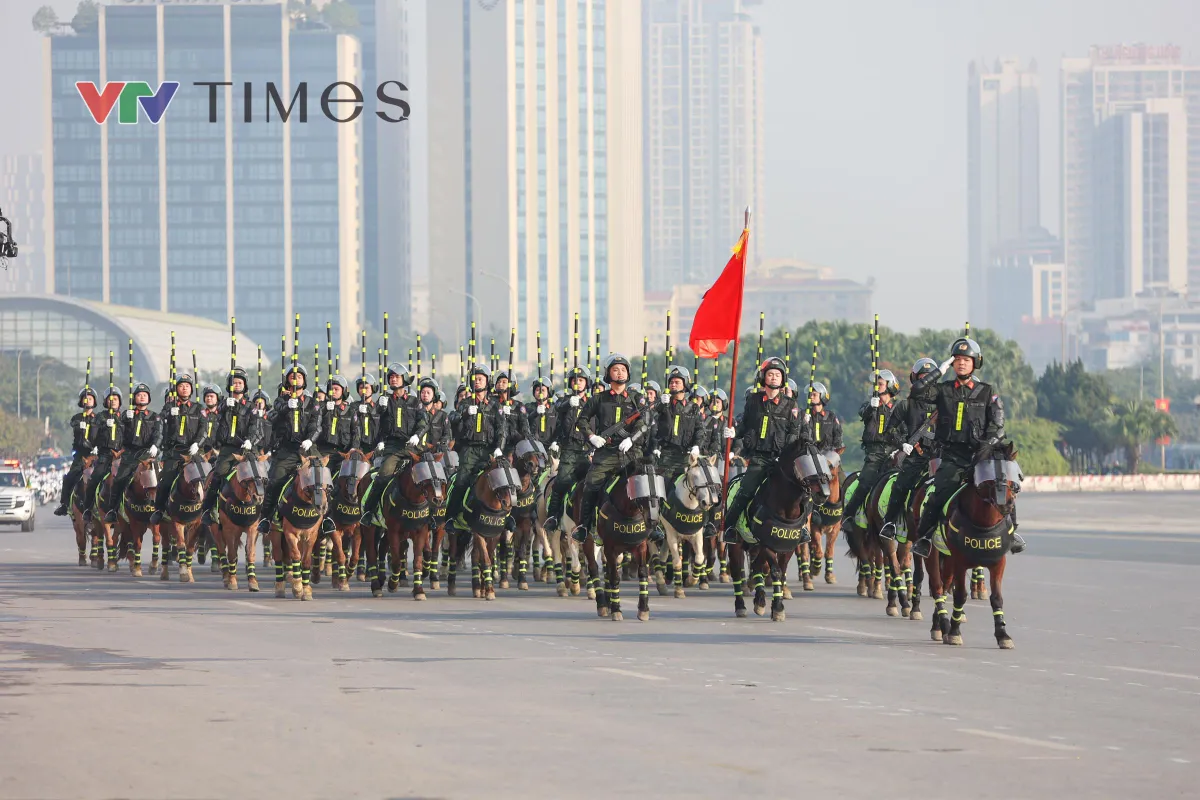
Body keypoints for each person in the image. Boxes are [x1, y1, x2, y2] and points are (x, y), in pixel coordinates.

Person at [909, 338, 1024, 558]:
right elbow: (917, 392)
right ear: (952, 363)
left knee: (1004, 487)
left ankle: (1012, 533)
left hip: (981, 456)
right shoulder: (941, 391)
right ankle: (924, 537)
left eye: (966, 360)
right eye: (957, 359)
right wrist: (937, 372)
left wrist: (986, 446)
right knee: (938, 494)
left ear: (975, 363)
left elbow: (998, 426)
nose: (962, 363)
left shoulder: (987, 392)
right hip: (952, 456)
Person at [722, 358, 814, 543]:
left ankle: (802, 527)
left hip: (783, 460)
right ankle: (729, 527)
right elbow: (745, 425)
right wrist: (734, 431)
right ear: (763, 377)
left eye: (777, 375)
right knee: (745, 491)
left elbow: (794, 433)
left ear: (783, 379)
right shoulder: (753, 400)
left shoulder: (791, 405)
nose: (774, 378)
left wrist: (786, 455)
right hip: (759, 458)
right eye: (770, 374)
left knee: (806, 492)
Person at [573, 354, 651, 542]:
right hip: (606, 453)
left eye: (623, 369)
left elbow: (645, 421)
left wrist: (633, 439)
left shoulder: (637, 399)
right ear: (608, 374)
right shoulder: (598, 399)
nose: (620, 372)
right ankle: (585, 525)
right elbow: (581, 420)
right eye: (615, 369)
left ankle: (655, 525)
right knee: (591, 483)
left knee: (649, 483)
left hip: (632, 452)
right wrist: (592, 437)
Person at [359, 363, 430, 523]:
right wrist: (380, 409)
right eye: (391, 376)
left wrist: (417, 436)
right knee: (382, 476)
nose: (393, 379)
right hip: (394, 448)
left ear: (404, 379)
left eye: (397, 376)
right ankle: (369, 512)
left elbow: (424, 422)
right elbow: (374, 422)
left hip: (414, 447)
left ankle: (434, 516)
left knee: (431, 477)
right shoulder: (384, 401)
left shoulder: (414, 401)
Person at [879, 359, 940, 540]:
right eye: (922, 378)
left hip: (940, 456)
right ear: (915, 379)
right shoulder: (906, 405)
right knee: (901, 485)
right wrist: (901, 444)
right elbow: (890, 431)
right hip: (916, 456)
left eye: (929, 378)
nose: (926, 382)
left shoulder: (944, 405)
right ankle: (889, 523)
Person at [258, 365, 322, 533]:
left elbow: (316, 426)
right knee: (274, 481)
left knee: (324, 479)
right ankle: (266, 517)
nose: (295, 379)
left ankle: (327, 517)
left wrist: (310, 439)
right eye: (292, 377)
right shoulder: (281, 400)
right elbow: (272, 416)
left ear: (304, 380)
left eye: (299, 377)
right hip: (287, 451)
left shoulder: (312, 403)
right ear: (287, 380)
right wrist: (287, 406)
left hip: (307, 449)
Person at [445, 365, 507, 530]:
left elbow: (502, 429)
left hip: (489, 451)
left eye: (480, 379)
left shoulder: (495, 405)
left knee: (505, 480)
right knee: (461, 482)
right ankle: (450, 517)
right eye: (475, 379)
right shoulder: (465, 403)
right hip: (470, 450)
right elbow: (452, 418)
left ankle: (508, 517)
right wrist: (465, 413)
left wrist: (499, 448)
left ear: (487, 381)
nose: (477, 382)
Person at [200, 368, 262, 523]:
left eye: (240, 382)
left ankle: (263, 512)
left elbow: (256, 427)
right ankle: (209, 510)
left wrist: (250, 440)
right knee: (217, 475)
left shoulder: (251, 407)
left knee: (260, 476)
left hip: (247, 449)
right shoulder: (222, 405)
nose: (237, 385)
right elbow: (215, 421)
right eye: (234, 382)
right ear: (229, 385)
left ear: (245, 385)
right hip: (228, 449)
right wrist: (223, 407)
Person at [841, 369, 901, 526]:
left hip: (894, 452)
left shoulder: (899, 408)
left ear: (890, 386)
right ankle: (848, 515)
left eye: (880, 384)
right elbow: (863, 413)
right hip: (874, 453)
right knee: (865, 483)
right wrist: (871, 407)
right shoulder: (869, 406)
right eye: (876, 384)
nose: (877, 387)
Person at [151, 373, 207, 524]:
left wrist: (198, 443)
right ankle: (159, 510)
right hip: (174, 453)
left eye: (187, 386)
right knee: (165, 482)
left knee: (206, 479)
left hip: (193, 452)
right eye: (181, 386)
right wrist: (169, 414)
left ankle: (208, 510)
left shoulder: (198, 408)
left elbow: (204, 429)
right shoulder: (169, 406)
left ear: (191, 390)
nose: (184, 389)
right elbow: (160, 425)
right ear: (176, 389)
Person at [543, 366, 593, 533]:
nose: (577, 383)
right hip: (569, 451)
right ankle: (553, 517)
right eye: (574, 380)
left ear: (586, 383)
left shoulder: (592, 403)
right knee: (561, 483)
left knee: (594, 485)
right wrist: (568, 403)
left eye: (580, 380)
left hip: (587, 451)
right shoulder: (565, 400)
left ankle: (593, 521)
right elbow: (557, 407)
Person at [105, 383, 162, 522]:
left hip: (147, 454)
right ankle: (113, 510)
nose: (141, 397)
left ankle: (161, 509)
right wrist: (123, 420)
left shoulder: (155, 417)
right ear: (134, 398)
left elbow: (158, 434)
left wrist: (155, 445)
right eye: (138, 395)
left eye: (144, 395)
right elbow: (119, 433)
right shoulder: (126, 415)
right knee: (119, 480)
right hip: (130, 454)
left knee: (160, 480)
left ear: (148, 399)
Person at [651, 366, 704, 490]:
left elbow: (699, 429)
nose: (673, 385)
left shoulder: (693, 408)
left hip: (686, 456)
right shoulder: (664, 405)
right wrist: (659, 404)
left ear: (684, 385)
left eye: (677, 382)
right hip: (665, 456)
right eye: (671, 382)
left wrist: (697, 445)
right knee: (663, 489)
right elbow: (649, 420)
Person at [55, 388, 99, 515]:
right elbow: (74, 425)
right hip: (81, 456)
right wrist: (81, 426)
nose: (88, 400)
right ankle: (64, 504)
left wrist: (97, 447)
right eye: (85, 398)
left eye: (90, 398)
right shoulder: (77, 418)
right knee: (69, 478)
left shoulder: (99, 418)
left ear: (94, 401)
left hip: (96, 455)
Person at [81, 388, 125, 515]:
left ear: (120, 401)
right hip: (105, 455)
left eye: (115, 399)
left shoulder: (125, 417)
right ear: (106, 402)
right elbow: (93, 434)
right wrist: (104, 424)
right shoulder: (100, 417)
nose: (113, 402)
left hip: (122, 456)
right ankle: (88, 509)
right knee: (94, 479)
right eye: (110, 399)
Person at [807, 382, 843, 455]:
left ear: (822, 396)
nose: (811, 397)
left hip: (827, 456)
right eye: (810, 395)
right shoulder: (805, 415)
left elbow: (838, 437)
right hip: (809, 457)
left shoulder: (831, 417)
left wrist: (833, 453)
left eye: (814, 395)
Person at [418, 377, 453, 452]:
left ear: (434, 395)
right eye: (423, 392)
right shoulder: (415, 413)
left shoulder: (442, 416)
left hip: (435, 454)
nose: (425, 395)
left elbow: (447, 434)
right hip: (417, 453)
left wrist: (443, 443)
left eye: (428, 393)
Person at [525, 377, 557, 450]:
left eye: (543, 390)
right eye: (537, 390)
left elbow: (559, 427)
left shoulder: (555, 409)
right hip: (533, 447)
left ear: (548, 392)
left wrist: (555, 441)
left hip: (551, 447)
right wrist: (535, 413)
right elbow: (525, 421)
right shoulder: (528, 407)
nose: (540, 392)